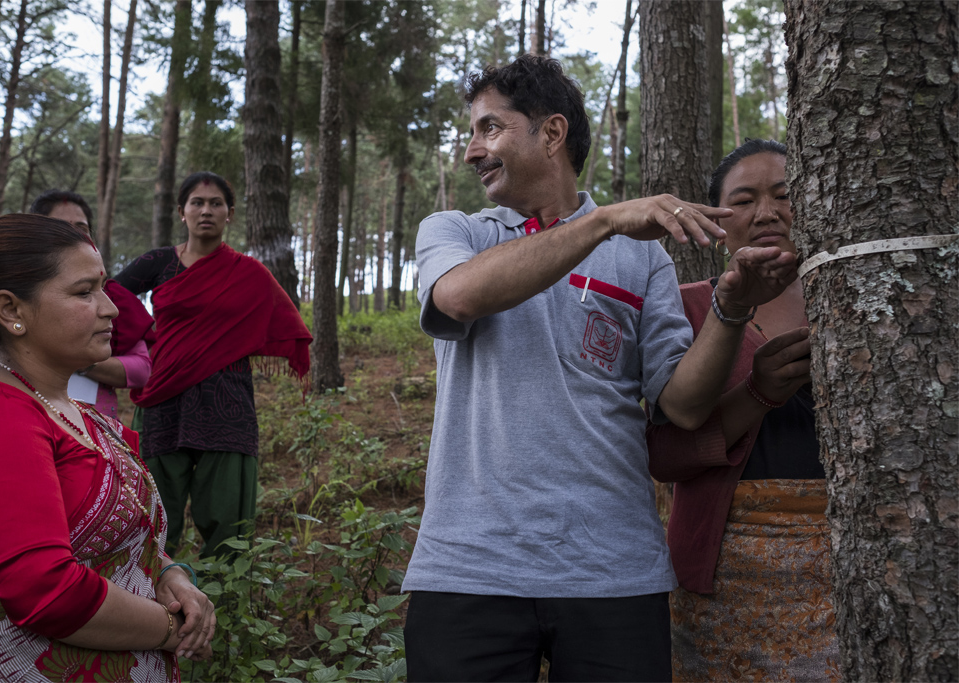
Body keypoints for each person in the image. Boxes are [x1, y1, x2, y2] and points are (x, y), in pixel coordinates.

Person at [402, 54, 798, 682]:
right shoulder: (457, 231)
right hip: (468, 570)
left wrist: (730, 306)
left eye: (489, 129)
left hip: (614, 575)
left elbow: (683, 406)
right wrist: (605, 220)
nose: (472, 152)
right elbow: (459, 298)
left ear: (551, 134)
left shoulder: (641, 262)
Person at [0, 215, 216, 681]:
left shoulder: (85, 416)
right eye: (84, 292)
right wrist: (174, 629)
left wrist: (173, 576)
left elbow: (136, 537)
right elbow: (46, 592)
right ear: (11, 311)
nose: (112, 309)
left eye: (104, 288)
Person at [646, 139, 840, 681]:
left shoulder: (852, 299)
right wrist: (757, 395)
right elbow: (663, 454)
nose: (767, 213)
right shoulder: (683, 306)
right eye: (745, 199)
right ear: (716, 219)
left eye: (785, 195)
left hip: (852, 561)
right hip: (724, 571)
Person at [114, 171, 312, 558]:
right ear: (182, 212)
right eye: (197, 203)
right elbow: (110, 295)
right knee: (152, 514)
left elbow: (287, 323)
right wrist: (144, 338)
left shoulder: (249, 273)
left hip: (226, 403)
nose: (206, 210)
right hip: (162, 396)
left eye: (216, 203)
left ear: (230, 214)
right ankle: (150, 604)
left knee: (227, 521)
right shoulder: (159, 262)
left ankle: (225, 608)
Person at [25, 189, 155, 421]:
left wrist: (82, 363)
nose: (72, 236)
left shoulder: (114, 298)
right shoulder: (14, 297)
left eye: (81, 228)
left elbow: (141, 369)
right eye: (60, 226)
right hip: (27, 414)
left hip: (95, 421)